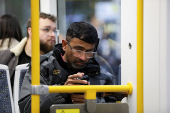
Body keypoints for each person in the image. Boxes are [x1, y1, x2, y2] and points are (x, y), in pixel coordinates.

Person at [19, 22, 115, 113]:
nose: (83, 57)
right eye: (78, 50)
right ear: (64, 45)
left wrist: (93, 103)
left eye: (89, 52)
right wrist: (62, 91)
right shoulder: (43, 69)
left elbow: (114, 108)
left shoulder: (102, 76)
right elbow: (26, 108)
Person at [0, 12, 57, 87]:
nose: (53, 34)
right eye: (46, 29)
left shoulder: (57, 62)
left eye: (54, 31)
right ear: (31, 31)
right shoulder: (6, 57)